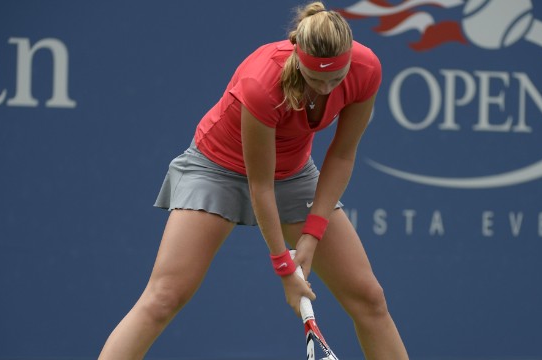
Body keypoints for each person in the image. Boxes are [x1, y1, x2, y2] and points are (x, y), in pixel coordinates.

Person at [99, 2, 409, 359]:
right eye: (315, 79)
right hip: (216, 167)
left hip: (292, 172)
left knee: (369, 298)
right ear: (298, 58)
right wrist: (284, 268)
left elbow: (341, 156)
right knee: (165, 296)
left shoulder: (366, 68)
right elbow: (259, 185)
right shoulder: (262, 80)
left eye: (335, 79)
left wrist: (312, 236)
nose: (325, 89)